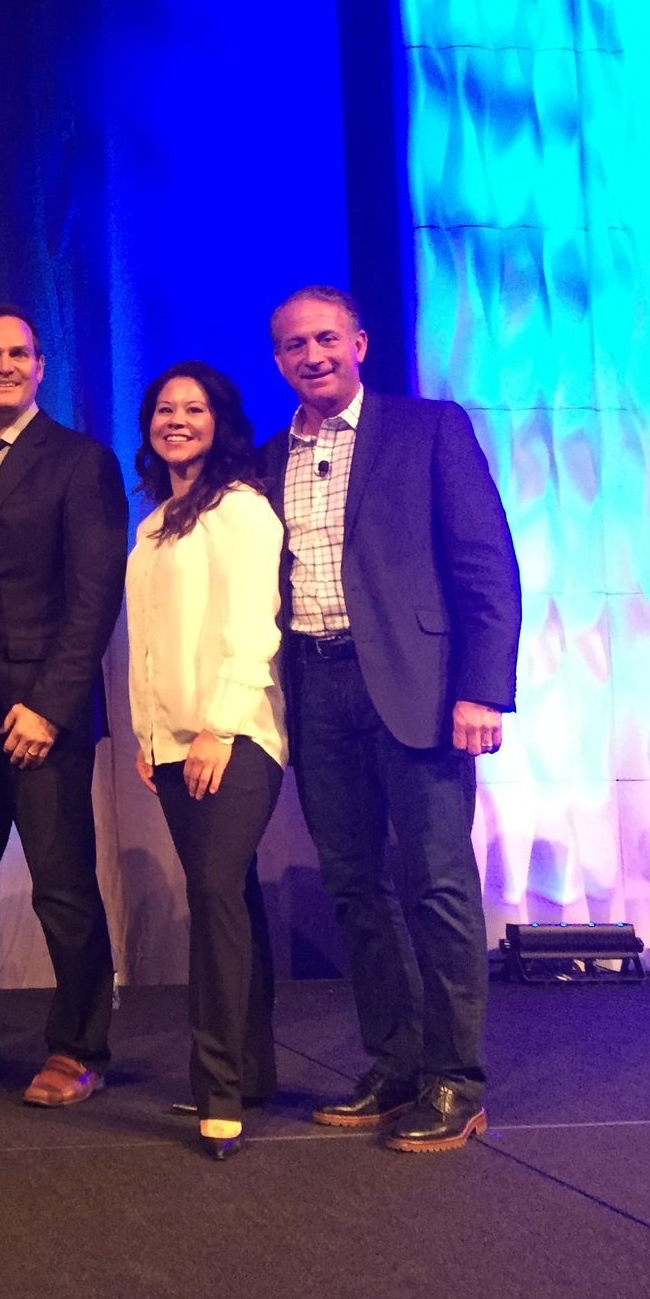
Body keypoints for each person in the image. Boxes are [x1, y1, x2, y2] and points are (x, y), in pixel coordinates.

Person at [263, 285, 521, 1153]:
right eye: (295, 345)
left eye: (327, 338)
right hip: (318, 688)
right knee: (353, 888)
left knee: (438, 886)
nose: (313, 355)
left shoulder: (428, 429)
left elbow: (487, 564)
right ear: (279, 360)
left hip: (418, 690)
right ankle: (398, 1064)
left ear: (360, 342)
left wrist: (483, 689)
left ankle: (458, 1078)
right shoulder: (270, 461)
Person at [0, 308, 127, 1106]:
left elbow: (93, 599)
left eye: (20, 353)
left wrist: (46, 706)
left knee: (62, 887)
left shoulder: (81, 463)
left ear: (41, 367)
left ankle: (79, 1048)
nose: (5, 365)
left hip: (43, 719)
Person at [126, 361, 286, 1161]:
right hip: (170, 745)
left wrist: (218, 728)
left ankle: (218, 1088)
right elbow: (150, 643)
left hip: (235, 738)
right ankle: (252, 1068)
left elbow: (254, 628)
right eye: (163, 408)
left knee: (215, 895)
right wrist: (149, 736)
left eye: (192, 408)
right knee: (233, 897)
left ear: (220, 420)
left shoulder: (241, 510)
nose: (176, 419)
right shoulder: (157, 521)